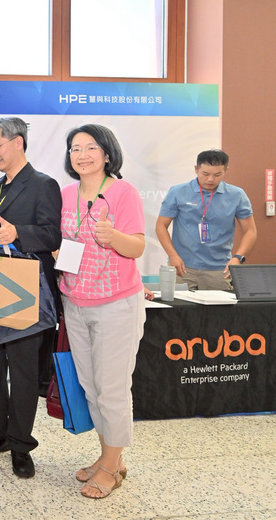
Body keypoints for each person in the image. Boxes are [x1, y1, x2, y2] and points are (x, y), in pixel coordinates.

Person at [0, 117, 61, 478]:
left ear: (18, 142)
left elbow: (52, 235)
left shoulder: (43, 185)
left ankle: (20, 444)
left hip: (23, 292)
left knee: (22, 371)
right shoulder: (0, 186)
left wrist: (19, 232)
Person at [59, 124, 146, 499]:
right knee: (92, 387)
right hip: (75, 302)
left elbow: (137, 247)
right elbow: (65, 243)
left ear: (107, 154)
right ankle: (109, 456)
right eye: (75, 148)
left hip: (116, 305)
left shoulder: (123, 193)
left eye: (90, 147)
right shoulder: (66, 194)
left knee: (112, 389)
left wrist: (114, 237)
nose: (82, 155)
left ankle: (111, 467)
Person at [155, 149, 257, 291]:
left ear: (226, 170)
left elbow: (250, 231)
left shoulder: (237, 195)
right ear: (196, 169)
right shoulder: (178, 192)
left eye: (217, 175)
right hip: (183, 267)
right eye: (205, 174)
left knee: (219, 306)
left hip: (219, 269)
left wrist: (238, 258)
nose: (210, 179)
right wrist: (173, 256)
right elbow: (161, 226)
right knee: (179, 305)